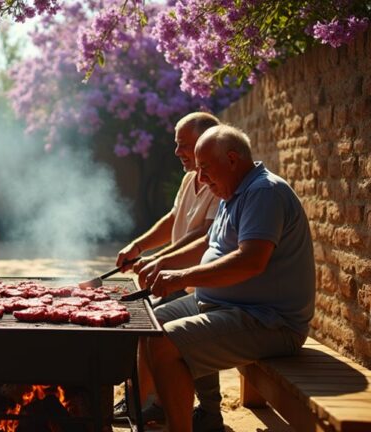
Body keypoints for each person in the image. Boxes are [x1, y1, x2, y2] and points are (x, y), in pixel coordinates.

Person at [137, 124, 315, 432]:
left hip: (269, 321)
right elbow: (208, 243)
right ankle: (141, 409)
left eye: (205, 168)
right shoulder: (235, 190)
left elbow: (251, 261)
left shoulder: (263, 192)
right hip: (224, 306)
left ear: (232, 159)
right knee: (148, 327)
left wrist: (181, 278)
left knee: (164, 344)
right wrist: (161, 262)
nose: (201, 178)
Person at [113, 112, 221, 423]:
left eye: (183, 145)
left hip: (201, 281)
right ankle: (154, 400)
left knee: (159, 324)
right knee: (153, 320)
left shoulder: (218, 181)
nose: (177, 152)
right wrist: (138, 246)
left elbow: (204, 236)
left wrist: (160, 260)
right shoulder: (190, 179)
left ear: (205, 143)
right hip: (178, 279)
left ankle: (204, 410)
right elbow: (174, 219)